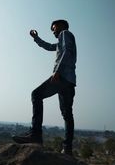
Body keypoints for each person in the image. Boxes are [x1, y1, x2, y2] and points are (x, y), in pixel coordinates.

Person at [12, 19, 77, 155]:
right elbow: (49, 47)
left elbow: (66, 51)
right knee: (67, 115)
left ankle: (36, 135)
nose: (52, 30)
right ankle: (67, 148)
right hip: (69, 81)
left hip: (62, 77)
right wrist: (36, 38)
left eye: (53, 27)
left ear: (60, 26)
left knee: (36, 94)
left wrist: (57, 71)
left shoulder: (64, 33)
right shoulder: (63, 39)